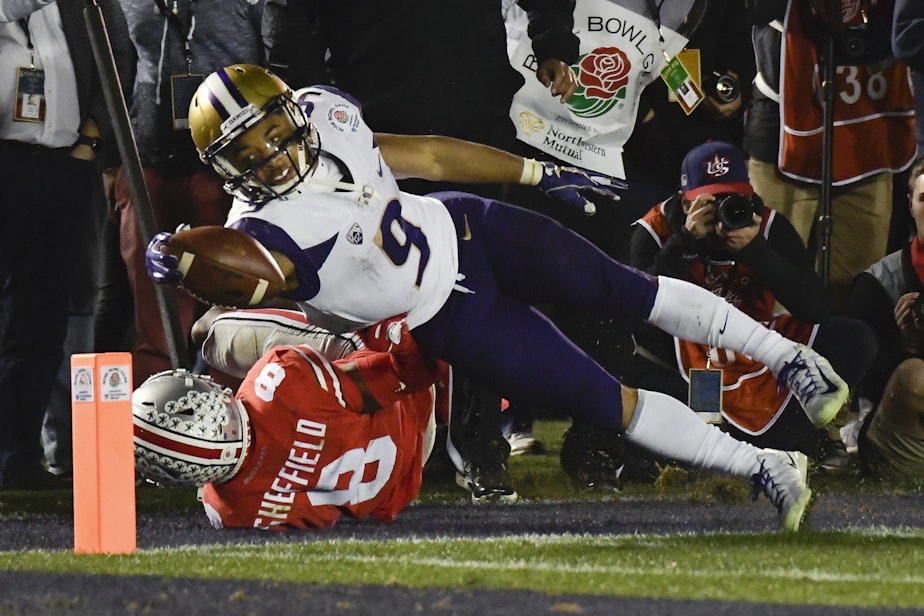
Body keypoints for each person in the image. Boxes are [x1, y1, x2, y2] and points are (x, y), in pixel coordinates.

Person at [146, 65, 855, 530]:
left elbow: (423, 155)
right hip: (449, 318)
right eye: (250, 152)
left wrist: (535, 174)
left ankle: (786, 355)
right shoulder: (260, 231)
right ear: (225, 169)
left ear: (290, 112)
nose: (272, 154)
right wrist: (183, 260)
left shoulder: (324, 113)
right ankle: (763, 466)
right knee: (601, 399)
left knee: (625, 290)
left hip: (466, 225)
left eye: (273, 132)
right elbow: (232, 267)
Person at [261, 0, 581, 504]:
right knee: (381, 297)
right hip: (370, 133)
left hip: (472, 118)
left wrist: (555, 41)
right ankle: (394, 442)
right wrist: (315, 112)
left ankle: (477, 444)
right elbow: (290, 24)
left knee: (479, 285)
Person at [628, 141, 876, 465]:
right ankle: (768, 444)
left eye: (733, 199)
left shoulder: (767, 225)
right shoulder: (655, 232)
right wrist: (683, 244)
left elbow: (815, 309)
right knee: (620, 353)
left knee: (856, 339)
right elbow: (633, 315)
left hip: (757, 350)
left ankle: (782, 436)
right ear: (683, 203)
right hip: (682, 355)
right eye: (709, 202)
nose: (722, 211)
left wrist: (756, 250)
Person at [133, 314, 448, 530]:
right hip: (413, 404)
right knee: (212, 329)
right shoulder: (279, 380)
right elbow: (415, 373)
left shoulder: (229, 511)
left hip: (400, 488)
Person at [0, 0, 134, 490]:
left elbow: (119, 54)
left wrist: (91, 141)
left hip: (64, 163)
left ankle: (18, 458)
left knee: (41, 317)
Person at [114, 0, 266, 387]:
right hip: (149, 162)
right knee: (155, 324)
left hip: (228, 170)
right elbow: (118, 64)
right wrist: (111, 162)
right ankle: (154, 433)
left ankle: (230, 430)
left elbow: (275, 64)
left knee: (231, 315)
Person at [745, 0, 916, 313]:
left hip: (871, 125)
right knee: (769, 291)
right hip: (786, 125)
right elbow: (756, 8)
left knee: (851, 290)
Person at [845, 157, 924, 479]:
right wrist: (905, 345)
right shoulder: (878, 284)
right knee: (913, 375)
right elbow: (865, 386)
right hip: (900, 436)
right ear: (910, 206)